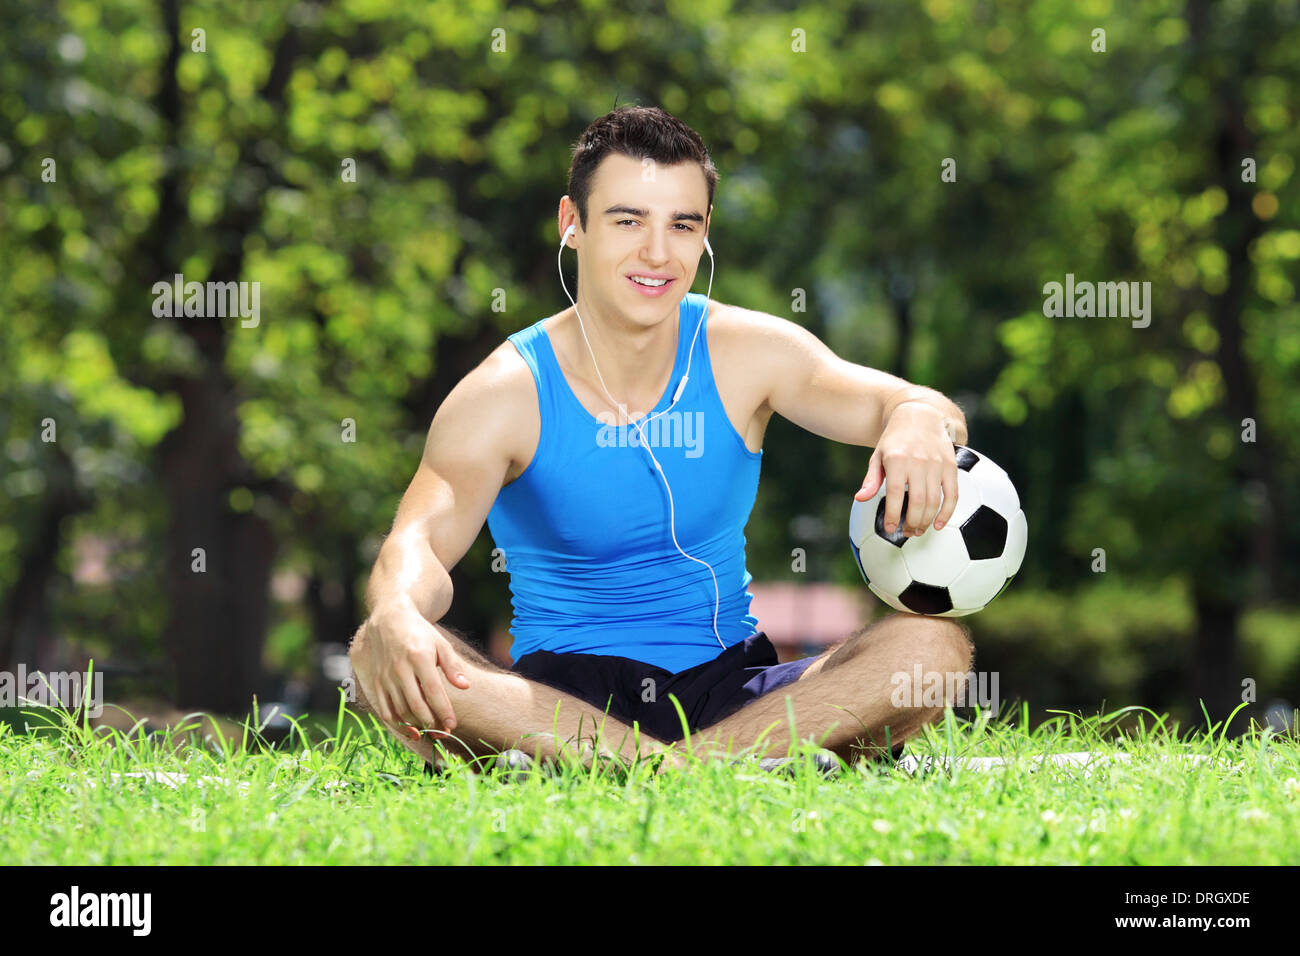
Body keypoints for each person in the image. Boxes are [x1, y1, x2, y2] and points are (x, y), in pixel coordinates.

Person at [348, 105, 973, 774]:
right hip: (557, 703)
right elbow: (418, 544)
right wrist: (394, 611)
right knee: (372, 649)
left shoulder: (747, 352)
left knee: (932, 650)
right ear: (572, 225)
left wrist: (914, 416)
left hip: (733, 691)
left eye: (683, 224)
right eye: (627, 220)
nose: (656, 252)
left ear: (705, 235)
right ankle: (724, 768)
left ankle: (653, 772)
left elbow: (910, 404)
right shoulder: (503, 393)